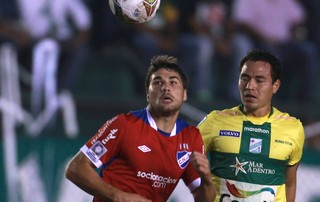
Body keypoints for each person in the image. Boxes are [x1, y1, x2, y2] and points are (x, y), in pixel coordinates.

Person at [65, 55, 216, 202]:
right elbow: (76, 168)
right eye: (157, 82)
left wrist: (207, 180)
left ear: (184, 94)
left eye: (173, 82)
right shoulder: (124, 124)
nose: (166, 88)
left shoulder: (191, 136)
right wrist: (118, 196)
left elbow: (202, 197)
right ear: (148, 95)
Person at [197, 49, 305, 201]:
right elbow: (184, 160)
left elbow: (290, 183)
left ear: (275, 86)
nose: (249, 86)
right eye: (244, 78)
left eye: (259, 80)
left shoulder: (293, 128)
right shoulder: (215, 121)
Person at [231, 0, 320, 102]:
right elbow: (243, 23)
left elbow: (300, 18)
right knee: (273, 55)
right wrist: (265, 38)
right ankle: (272, 101)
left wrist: (295, 31)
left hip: (284, 43)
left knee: (308, 52)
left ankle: (303, 103)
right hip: (257, 42)